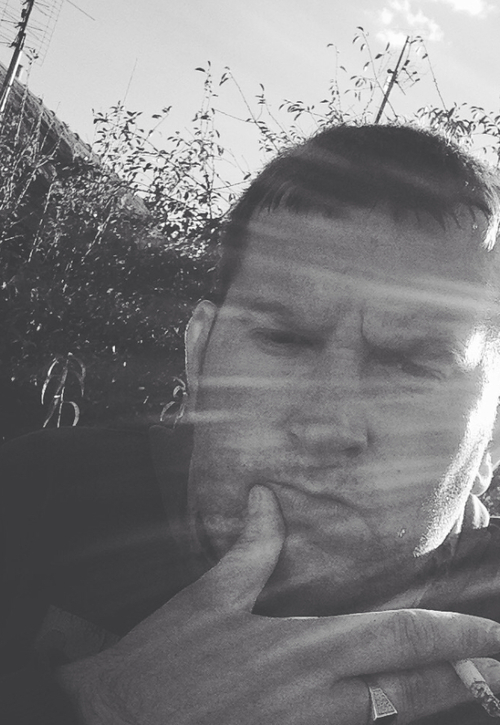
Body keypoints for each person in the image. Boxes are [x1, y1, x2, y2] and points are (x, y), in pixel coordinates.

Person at [3, 123, 500, 724]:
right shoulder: (31, 498)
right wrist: (102, 707)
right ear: (199, 357)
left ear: (492, 437)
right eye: (284, 339)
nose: (326, 427)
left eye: (412, 364)